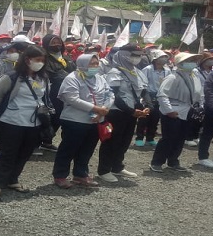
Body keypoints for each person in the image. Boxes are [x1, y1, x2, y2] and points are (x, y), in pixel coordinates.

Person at [0, 45, 50, 201]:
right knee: (7, 154)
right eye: (37, 60)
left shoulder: (43, 78)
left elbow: (44, 97)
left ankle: (12, 179)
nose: (40, 63)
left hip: (34, 123)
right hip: (12, 121)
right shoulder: (12, 77)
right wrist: (9, 110)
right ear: (27, 60)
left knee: (25, 153)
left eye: (43, 60)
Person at [52, 54, 113, 188]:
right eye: (91, 64)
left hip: (96, 120)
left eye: (96, 63)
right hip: (75, 120)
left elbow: (110, 94)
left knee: (87, 149)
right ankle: (60, 175)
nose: (95, 66)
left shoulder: (100, 78)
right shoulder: (72, 78)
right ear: (82, 64)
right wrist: (96, 109)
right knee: (68, 149)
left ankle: (80, 174)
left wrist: (104, 108)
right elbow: (72, 99)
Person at [97, 43, 148, 182]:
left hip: (132, 112)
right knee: (111, 141)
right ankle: (104, 170)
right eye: (134, 55)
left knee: (125, 141)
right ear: (124, 55)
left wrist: (146, 106)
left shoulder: (137, 72)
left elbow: (143, 92)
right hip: (117, 112)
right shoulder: (114, 72)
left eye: (139, 56)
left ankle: (117, 166)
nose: (137, 58)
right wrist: (131, 111)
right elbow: (114, 95)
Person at [150, 52, 202, 172]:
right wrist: (169, 111)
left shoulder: (192, 76)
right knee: (168, 138)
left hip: (187, 110)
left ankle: (173, 161)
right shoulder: (172, 77)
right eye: (190, 61)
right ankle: (157, 162)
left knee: (180, 138)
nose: (193, 63)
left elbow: (198, 93)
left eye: (194, 60)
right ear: (181, 63)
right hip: (174, 111)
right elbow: (162, 95)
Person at [40, 34, 77, 153]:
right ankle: (40, 141)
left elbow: (75, 71)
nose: (57, 44)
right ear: (47, 44)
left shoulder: (66, 58)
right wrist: (71, 78)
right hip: (53, 92)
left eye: (58, 42)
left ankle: (47, 141)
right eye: (53, 42)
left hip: (68, 92)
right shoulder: (44, 58)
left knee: (60, 118)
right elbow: (53, 74)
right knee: (51, 117)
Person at [135, 49, 171, 147]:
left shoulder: (167, 70)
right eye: (161, 57)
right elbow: (142, 83)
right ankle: (139, 138)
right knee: (144, 118)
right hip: (148, 95)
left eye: (165, 57)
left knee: (155, 118)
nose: (164, 59)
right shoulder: (148, 69)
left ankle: (150, 138)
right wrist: (145, 97)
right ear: (155, 59)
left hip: (161, 96)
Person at [186, 52, 213, 146]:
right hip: (198, 96)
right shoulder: (196, 71)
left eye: (212, 59)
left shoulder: (212, 71)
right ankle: (188, 137)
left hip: (208, 97)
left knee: (201, 118)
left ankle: (195, 136)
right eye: (209, 59)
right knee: (193, 117)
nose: (212, 61)